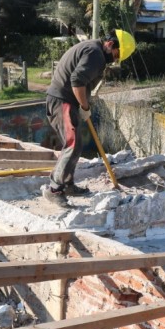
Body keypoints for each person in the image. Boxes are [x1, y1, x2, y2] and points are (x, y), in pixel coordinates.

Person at [42, 29, 135, 207]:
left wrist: (82, 105)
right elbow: (77, 81)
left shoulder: (92, 48)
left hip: (65, 100)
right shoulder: (95, 54)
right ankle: (54, 190)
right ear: (110, 44)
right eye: (116, 54)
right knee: (72, 144)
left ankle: (67, 185)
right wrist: (85, 107)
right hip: (62, 101)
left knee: (75, 144)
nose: (115, 59)